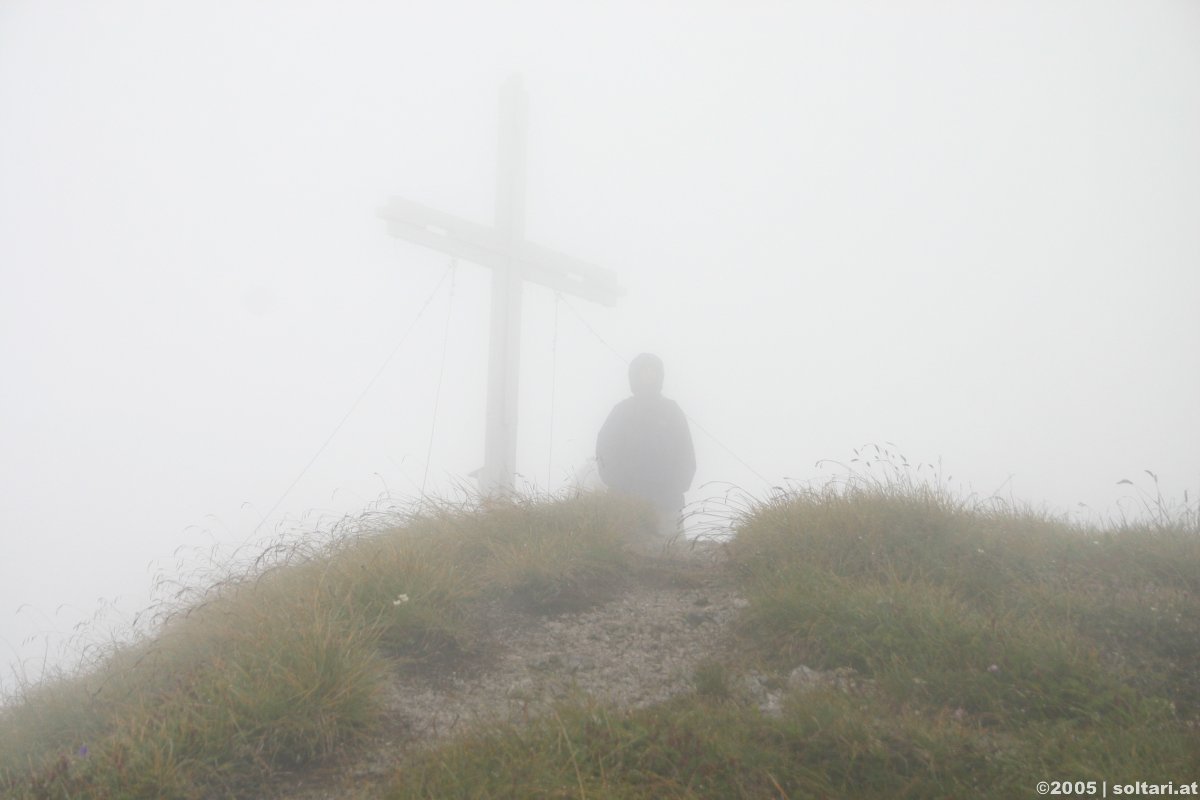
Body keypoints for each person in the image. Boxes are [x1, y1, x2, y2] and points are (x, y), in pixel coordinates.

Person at [595, 353, 696, 539]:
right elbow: (604, 453)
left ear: (660, 377)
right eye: (644, 372)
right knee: (627, 562)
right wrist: (622, 488)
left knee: (675, 561)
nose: (649, 377)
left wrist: (675, 488)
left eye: (653, 372)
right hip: (626, 506)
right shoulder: (621, 411)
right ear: (634, 377)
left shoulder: (672, 411)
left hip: (667, 506)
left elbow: (686, 456)